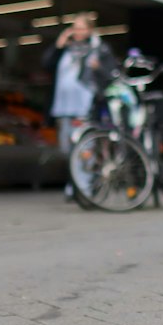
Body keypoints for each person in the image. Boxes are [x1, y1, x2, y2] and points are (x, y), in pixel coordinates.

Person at [44, 14, 110, 202]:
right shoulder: (66, 50)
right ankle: (77, 182)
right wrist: (59, 44)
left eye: (81, 28)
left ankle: (83, 187)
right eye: (75, 28)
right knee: (67, 148)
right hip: (64, 108)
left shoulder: (99, 49)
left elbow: (110, 73)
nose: (77, 32)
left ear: (90, 30)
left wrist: (98, 68)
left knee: (85, 148)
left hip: (85, 108)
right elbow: (47, 64)